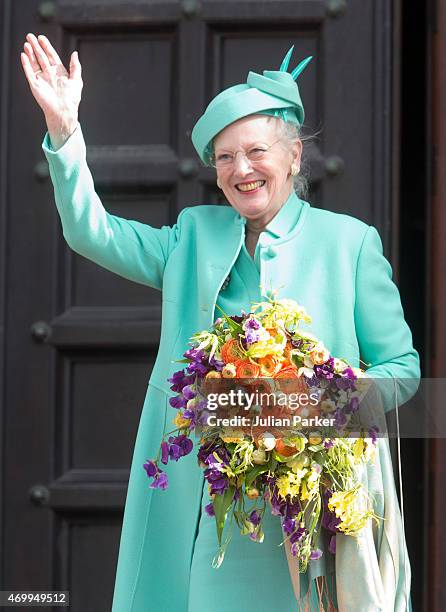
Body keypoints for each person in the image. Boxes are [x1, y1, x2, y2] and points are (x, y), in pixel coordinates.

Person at [21, 33, 420, 612]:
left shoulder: (350, 244)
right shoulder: (192, 235)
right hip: (206, 500)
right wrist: (65, 132)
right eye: (225, 157)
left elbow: (402, 371)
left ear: (294, 157)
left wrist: (318, 403)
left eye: (256, 151)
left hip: (309, 503)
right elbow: (92, 233)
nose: (241, 169)